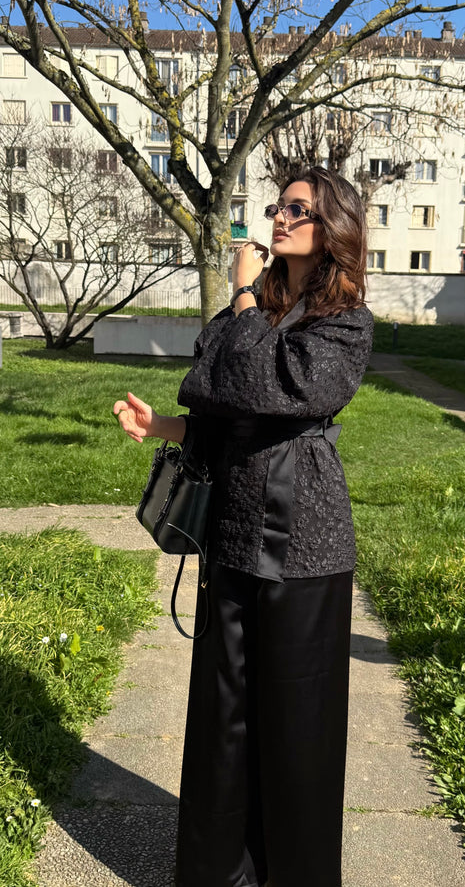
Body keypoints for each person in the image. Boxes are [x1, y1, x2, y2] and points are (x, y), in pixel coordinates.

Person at [113, 166, 374, 887]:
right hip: (231, 529)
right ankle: (217, 873)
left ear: (333, 227)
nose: (280, 218)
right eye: (278, 206)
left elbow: (265, 386)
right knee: (222, 715)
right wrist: (161, 426)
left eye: (298, 209)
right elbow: (217, 400)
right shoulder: (258, 309)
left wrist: (242, 296)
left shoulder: (345, 321)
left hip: (305, 540)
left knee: (297, 725)